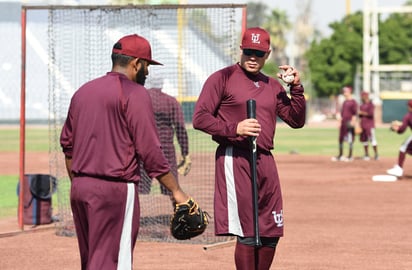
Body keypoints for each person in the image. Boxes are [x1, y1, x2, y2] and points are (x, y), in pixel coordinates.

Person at [60, 34, 190, 270]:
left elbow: (68, 147)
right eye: (147, 65)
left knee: (92, 261)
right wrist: (177, 192)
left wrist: (80, 182)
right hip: (115, 191)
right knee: (114, 263)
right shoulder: (135, 93)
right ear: (136, 63)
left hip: (80, 188)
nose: (148, 72)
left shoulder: (83, 91)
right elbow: (150, 152)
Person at [192, 27, 306, 270]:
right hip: (236, 158)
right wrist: (235, 128)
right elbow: (200, 118)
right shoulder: (222, 78)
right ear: (241, 50)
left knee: (271, 230)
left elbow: (296, 121)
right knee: (247, 230)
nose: (253, 57)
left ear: (267, 54)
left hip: (265, 161)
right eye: (249, 52)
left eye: (259, 53)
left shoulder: (272, 85)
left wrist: (295, 88)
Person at [138, 68, 191, 196]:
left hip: (143, 150)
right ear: (161, 83)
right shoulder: (170, 101)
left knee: (139, 190)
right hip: (165, 150)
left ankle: (133, 215)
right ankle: (179, 215)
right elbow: (180, 128)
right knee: (173, 189)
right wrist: (185, 153)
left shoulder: (138, 99)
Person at [331, 86, 358, 162]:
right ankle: (340, 155)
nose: (344, 93)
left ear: (350, 92)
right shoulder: (345, 102)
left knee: (350, 139)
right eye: (344, 91)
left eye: (346, 91)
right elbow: (342, 113)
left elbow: (354, 114)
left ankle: (350, 156)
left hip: (349, 123)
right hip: (343, 122)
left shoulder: (353, 102)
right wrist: (339, 122)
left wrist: (353, 122)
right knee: (341, 139)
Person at [386, 100, 412, 177]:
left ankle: (399, 169)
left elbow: (402, 130)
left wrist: (396, 128)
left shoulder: (408, 116)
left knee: (403, 148)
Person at [358, 91, 379, 160]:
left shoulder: (371, 104)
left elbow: (370, 114)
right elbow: (360, 116)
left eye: (363, 96)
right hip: (363, 125)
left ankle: (376, 154)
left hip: (370, 125)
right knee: (364, 140)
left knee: (372, 139)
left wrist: (362, 112)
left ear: (366, 96)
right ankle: (366, 155)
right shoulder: (361, 105)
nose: (362, 97)